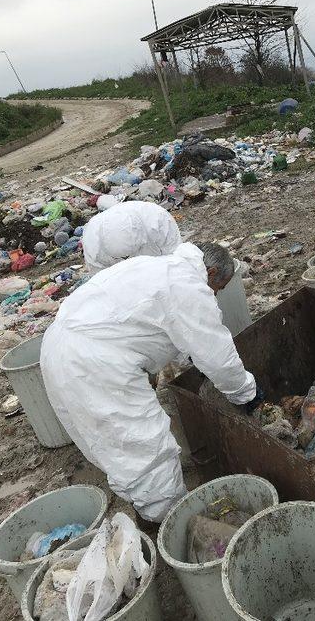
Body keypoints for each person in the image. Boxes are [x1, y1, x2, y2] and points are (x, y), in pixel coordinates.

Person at [41, 242, 261, 523]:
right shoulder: (188, 286)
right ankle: (169, 522)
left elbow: (163, 328)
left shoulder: (160, 267)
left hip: (58, 345)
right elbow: (218, 355)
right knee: (145, 446)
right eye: (219, 287)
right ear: (213, 271)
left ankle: (148, 508)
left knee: (115, 444)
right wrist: (247, 394)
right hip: (94, 363)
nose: (216, 294)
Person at [82, 201, 182, 274]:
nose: (128, 260)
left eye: (129, 256)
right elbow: (101, 279)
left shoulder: (158, 220)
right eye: (122, 258)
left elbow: (176, 258)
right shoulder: (92, 244)